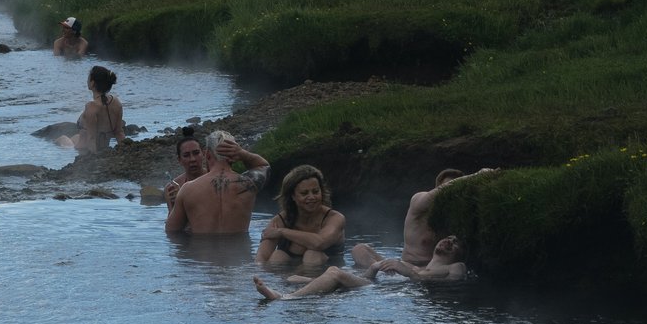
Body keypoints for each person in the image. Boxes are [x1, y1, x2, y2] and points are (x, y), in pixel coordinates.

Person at [351, 167, 497, 271]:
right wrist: (478, 175)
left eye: (454, 189)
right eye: (446, 187)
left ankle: (383, 272)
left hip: (430, 270)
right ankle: (381, 271)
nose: (449, 192)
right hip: (405, 263)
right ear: (437, 188)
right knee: (359, 249)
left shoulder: (457, 215)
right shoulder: (419, 202)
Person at [253, 165, 352, 299]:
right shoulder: (281, 220)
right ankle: (281, 289)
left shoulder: (334, 218)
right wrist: (273, 277)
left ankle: (291, 294)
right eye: (304, 193)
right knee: (278, 255)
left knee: (313, 254)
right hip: (289, 279)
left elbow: (320, 243)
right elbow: (260, 260)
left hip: (325, 277)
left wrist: (283, 232)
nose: (311, 197)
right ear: (293, 196)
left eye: (315, 191)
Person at [165, 130, 270, 234]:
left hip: (201, 250)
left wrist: (174, 206)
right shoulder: (248, 184)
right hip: (239, 250)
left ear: (207, 154)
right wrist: (243, 154)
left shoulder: (187, 190)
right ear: (233, 156)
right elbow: (264, 166)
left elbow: (172, 232)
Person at [56, 65, 124, 155]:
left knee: (61, 138)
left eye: (88, 77)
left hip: (83, 150)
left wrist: (93, 159)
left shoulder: (91, 107)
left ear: (92, 83)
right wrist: (125, 151)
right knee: (76, 137)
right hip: (104, 146)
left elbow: (92, 138)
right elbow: (119, 133)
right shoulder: (116, 102)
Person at [357, 235, 470, 282]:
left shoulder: (457, 266)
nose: (449, 241)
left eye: (455, 243)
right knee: (360, 248)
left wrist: (410, 274)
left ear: (459, 254)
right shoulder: (412, 267)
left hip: (391, 294)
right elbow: (367, 280)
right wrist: (374, 267)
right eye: (448, 237)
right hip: (375, 285)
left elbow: (455, 277)